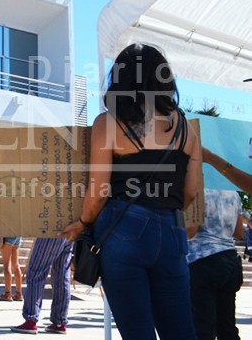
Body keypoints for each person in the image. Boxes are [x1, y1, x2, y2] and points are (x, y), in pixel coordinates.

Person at [61, 43, 202, 339]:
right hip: (172, 231)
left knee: (137, 332)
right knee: (181, 330)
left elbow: (99, 191)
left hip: (124, 229)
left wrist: (83, 223)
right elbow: (191, 192)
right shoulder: (185, 128)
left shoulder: (108, 123)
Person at [187, 148, 245, 339]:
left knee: (202, 328)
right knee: (227, 327)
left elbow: (191, 231)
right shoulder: (233, 193)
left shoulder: (196, 190)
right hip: (229, 260)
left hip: (202, 259)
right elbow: (238, 232)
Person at [10, 238, 72, 334]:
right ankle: (59, 322)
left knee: (36, 272)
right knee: (62, 276)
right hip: (70, 233)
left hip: (51, 233)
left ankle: (31, 320)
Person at [0, 236, 24, 302]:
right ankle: (19, 294)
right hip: (18, 235)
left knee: (7, 264)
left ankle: (7, 293)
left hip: (7, 236)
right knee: (15, 264)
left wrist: (1, 237)